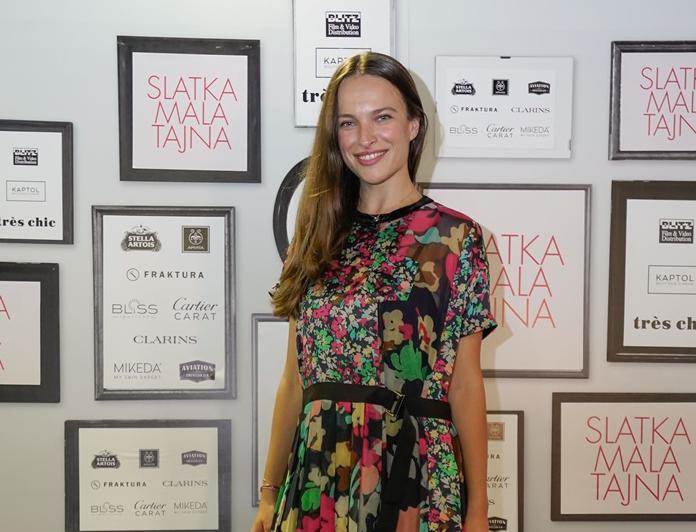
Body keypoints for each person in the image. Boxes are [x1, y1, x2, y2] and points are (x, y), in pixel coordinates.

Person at [252, 52, 497, 532]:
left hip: (412, 477)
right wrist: (268, 493)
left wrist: (478, 511)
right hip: (318, 477)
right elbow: (294, 381)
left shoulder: (454, 238)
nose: (365, 138)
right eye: (348, 123)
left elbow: (466, 384)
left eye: (382, 117)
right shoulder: (316, 238)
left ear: (413, 125)